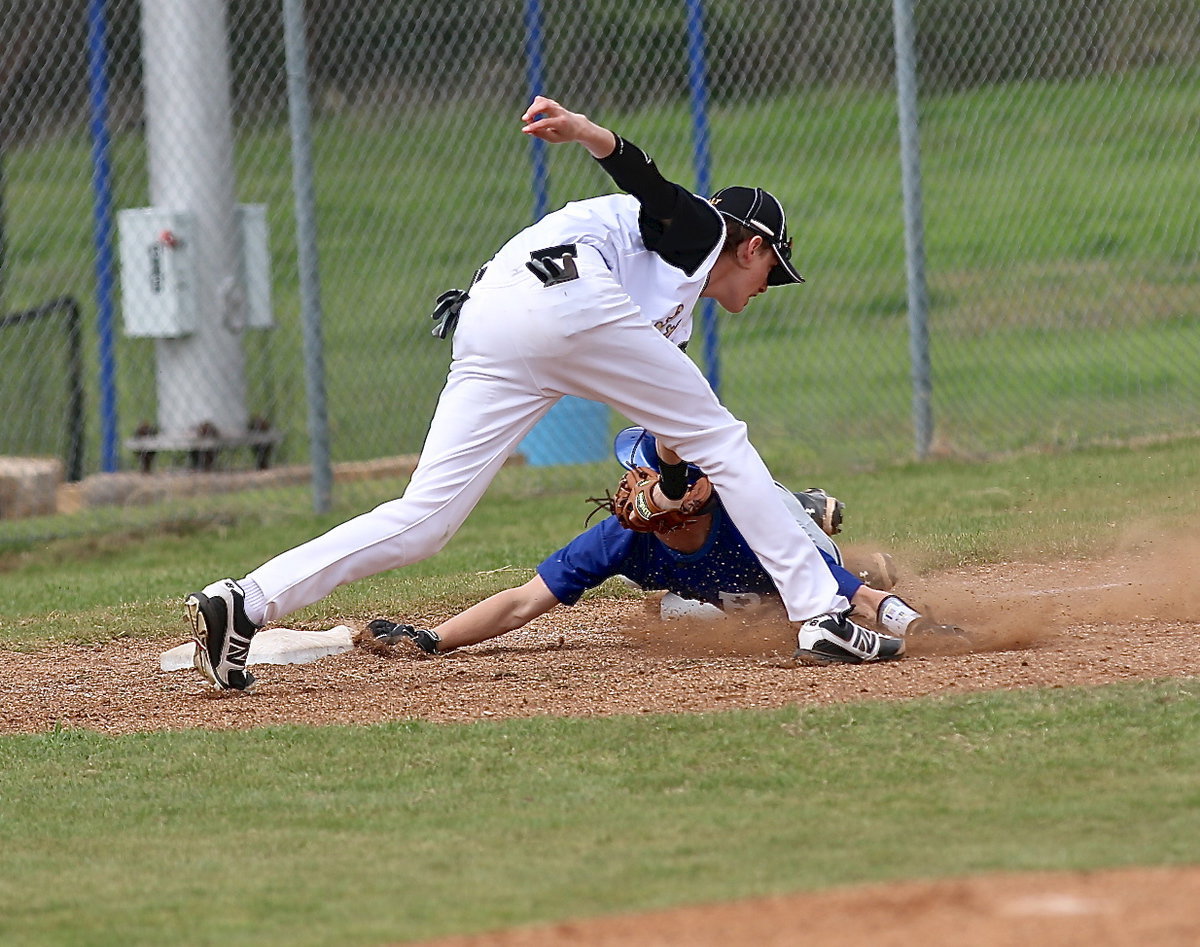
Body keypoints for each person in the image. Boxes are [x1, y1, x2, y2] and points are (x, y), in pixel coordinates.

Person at [186, 95, 896, 692]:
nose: (769, 283)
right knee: (728, 440)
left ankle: (245, 600)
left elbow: (673, 429)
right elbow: (650, 183)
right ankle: (820, 614)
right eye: (774, 267)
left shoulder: (667, 312)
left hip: (494, 318)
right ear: (752, 246)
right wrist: (590, 134)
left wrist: (674, 483)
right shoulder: (708, 231)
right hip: (569, 298)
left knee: (424, 517)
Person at [366, 428, 951, 665]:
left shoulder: (752, 523)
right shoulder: (622, 537)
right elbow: (524, 602)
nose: (631, 486)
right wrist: (431, 637)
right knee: (676, 612)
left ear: (693, 488)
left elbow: (866, 603)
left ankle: (803, 508)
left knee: (819, 583)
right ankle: (826, 528)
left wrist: (920, 628)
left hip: (767, 537)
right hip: (728, 586)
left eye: (647, 474)